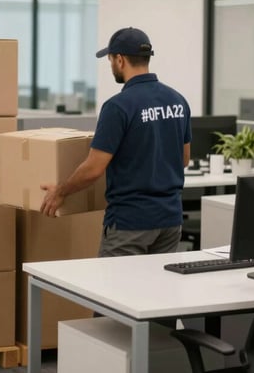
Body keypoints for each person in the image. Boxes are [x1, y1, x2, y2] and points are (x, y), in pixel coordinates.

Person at [40, 27, 191, 257]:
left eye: (110, 59)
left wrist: (61, 191)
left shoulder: (118, 107)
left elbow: (93, 168)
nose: (111, 65)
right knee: (159, 290)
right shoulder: (178, 100)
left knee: (112, 290)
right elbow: (184, 159)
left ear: (120, 60)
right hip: (170, 221)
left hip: (130, 224)